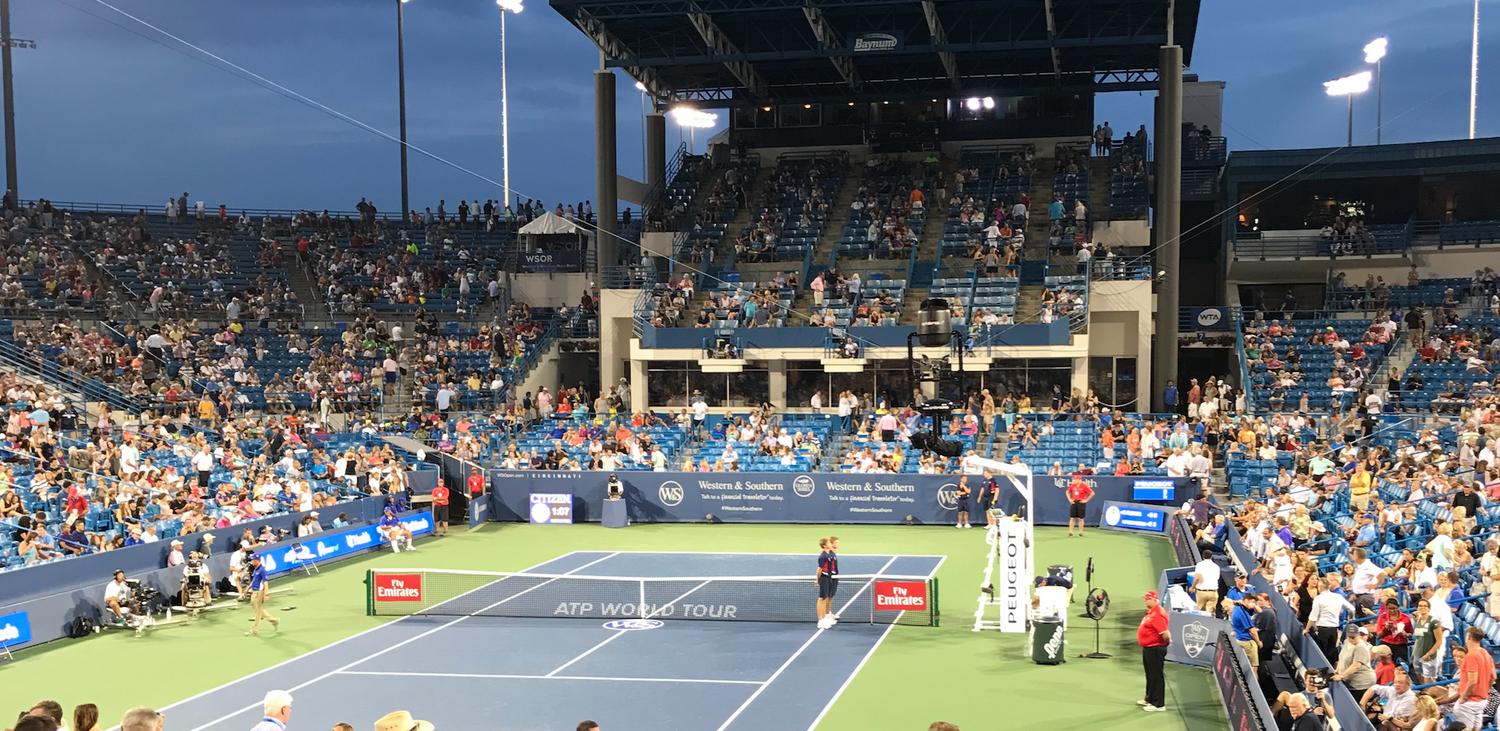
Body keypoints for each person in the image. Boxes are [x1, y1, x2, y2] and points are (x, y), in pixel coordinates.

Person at [1454, 626, 1494, 729]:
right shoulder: (1486, 653)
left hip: (1470, 701)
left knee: (1465, 729)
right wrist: (1485, 689)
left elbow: (1472, 681)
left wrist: (1464, 696)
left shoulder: (1471, 656)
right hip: (1482, 700)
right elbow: (1493, 676)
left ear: (1469, 637)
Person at [1138, 590, 1171, 712]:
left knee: (1156, 676)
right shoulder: (1152, 612)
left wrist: (1166, 643)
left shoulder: (1157, 614)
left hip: (1155, 648)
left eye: (1147, 599)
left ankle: (1159, 704)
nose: (1145, 601)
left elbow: (1165, 633)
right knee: (1150, 674)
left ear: (1155, 600)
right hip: (1149, 648)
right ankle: (1149, 698)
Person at [1410, 598, 1446, 684]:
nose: (1422, 608)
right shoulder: (1418, 621)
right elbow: (1418, 639)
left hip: (1429, 657)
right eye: (1420, 606)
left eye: (1425, 606)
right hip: (1418, 654)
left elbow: (1439, 641)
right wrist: (1413, 654)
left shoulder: (1434, 622)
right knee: (1420, 679)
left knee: (1429, 682)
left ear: (1429, 609)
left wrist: (1428, 654)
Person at [245, 553, 279, 636]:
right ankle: (274, 620)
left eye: (253, 560)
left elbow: (265, 582)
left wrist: (266, 593)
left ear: (257, 560)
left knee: (257, 612)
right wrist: (248, 588)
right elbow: (254, 580)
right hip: (254, 591)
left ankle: (254, 630)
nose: (251, 561)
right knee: (259, 610)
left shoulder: (262, 570)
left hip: (259, 593)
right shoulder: (256, 569)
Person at [816, 536, 840, 629]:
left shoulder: (830, 554)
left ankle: (825, 617)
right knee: (821, 599)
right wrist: (817, 580)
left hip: (830, 577)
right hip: (824, 578)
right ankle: (821, 620)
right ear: (825, 545)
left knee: (826, 598)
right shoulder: (823, 556)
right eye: (829, 543)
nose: (831, 544)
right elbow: (819, 569)